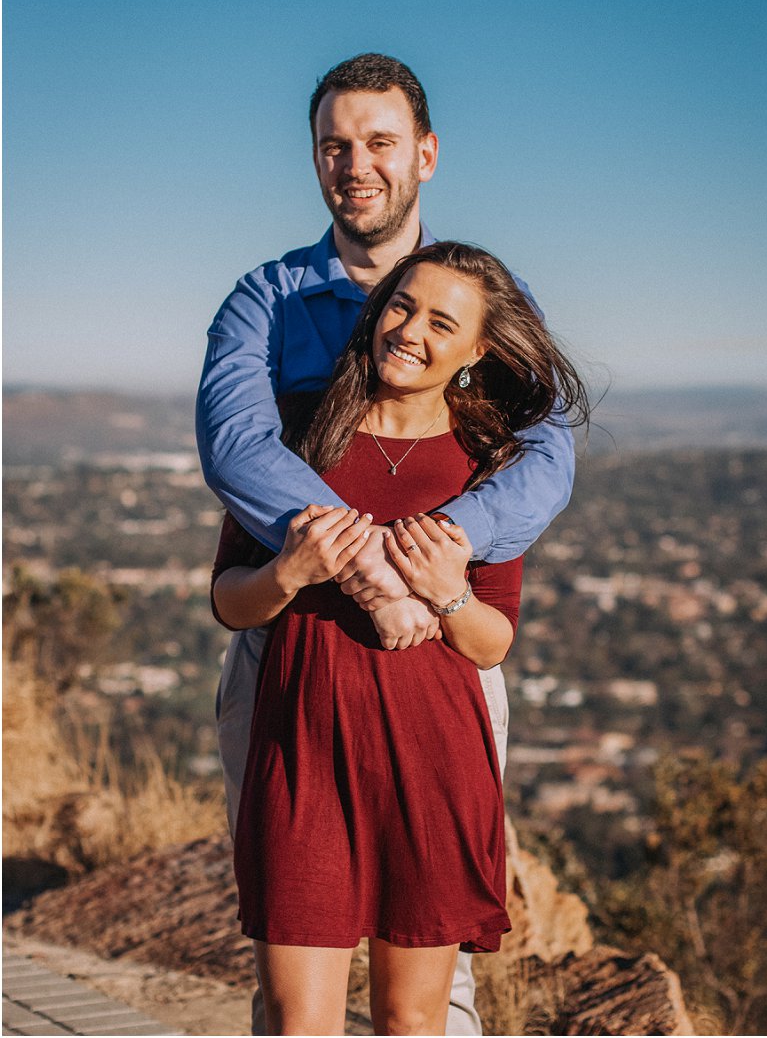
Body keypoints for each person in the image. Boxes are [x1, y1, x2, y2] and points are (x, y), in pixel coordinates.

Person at [196, 53, 577, 1034]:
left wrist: (438, 564)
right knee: (290, 962)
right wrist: (371, 568)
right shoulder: (266, 301)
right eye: (334, 143)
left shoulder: (485, 294)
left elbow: (542, 464)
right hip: (291, 663)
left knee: (432, 992)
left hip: (436, 666)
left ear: (426, 153)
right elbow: (236, 446)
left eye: (379, 141)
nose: (354, 162)